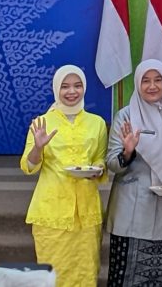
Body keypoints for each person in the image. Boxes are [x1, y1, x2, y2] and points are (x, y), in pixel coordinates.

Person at [106, 59, 162, 287]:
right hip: (131, 213)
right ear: (138, 84)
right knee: (126, 277)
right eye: (146, 81)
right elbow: (112, 163)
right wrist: (127, 151)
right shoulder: (125, 117)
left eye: (158, 80)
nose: (152, 86)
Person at [18, 65, 107, 287]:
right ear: (56, 89)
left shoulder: (96, 123)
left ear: (84, 88)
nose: (71, 91)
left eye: (77, 86)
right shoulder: (42, 122)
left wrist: (97, 169)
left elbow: (100, 158)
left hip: (86, 210)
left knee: (86, 271)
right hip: (52, 211)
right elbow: (28, 166)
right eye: (65, 86)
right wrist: (38, 147)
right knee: (54, 273)